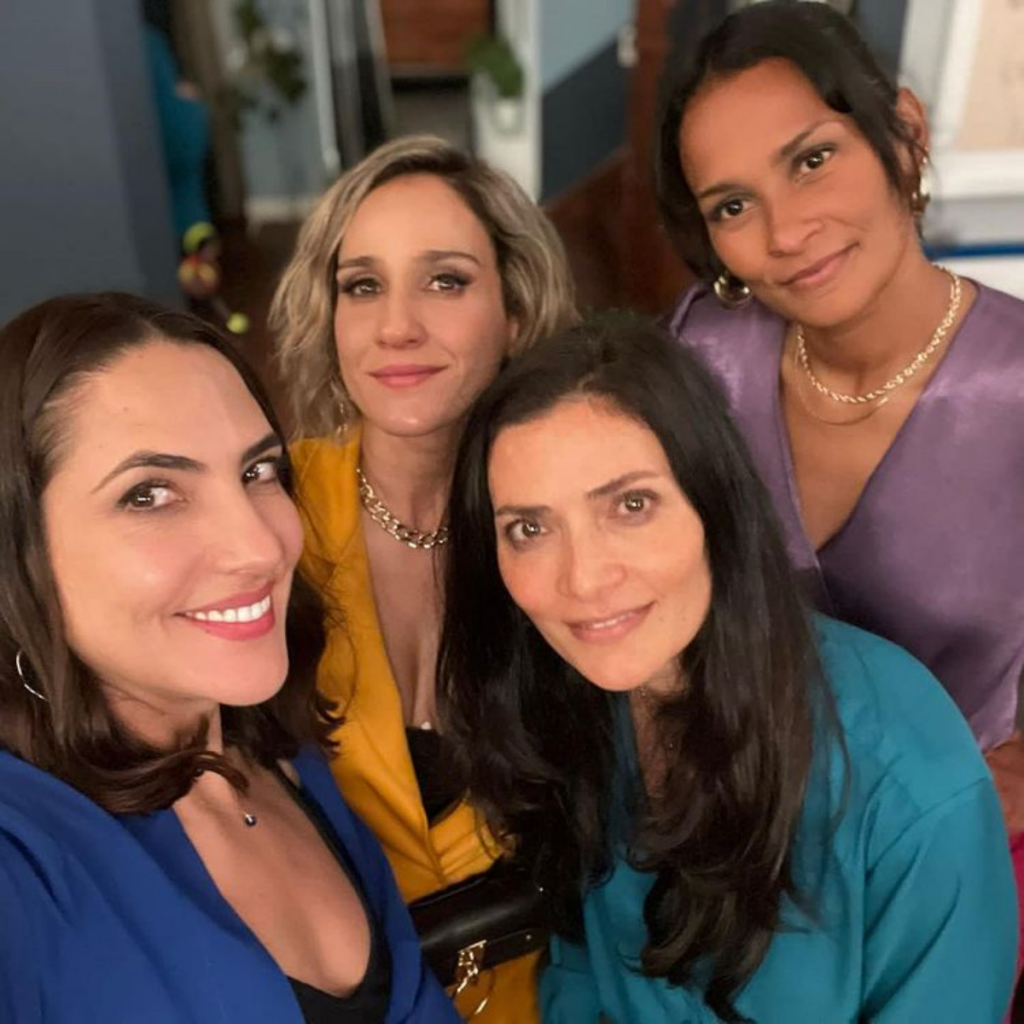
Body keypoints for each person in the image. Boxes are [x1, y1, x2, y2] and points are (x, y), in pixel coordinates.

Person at [438, 313, 1017, 1023]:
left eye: (631, 505)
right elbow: (579, 969)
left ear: (716, 506)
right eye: (529, 529)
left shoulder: (909, 780)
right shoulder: (572, 703)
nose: (582, 580)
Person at [655, 0, 1024, 966]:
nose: (786, 231)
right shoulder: (702, 351)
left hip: (939, 873)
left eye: (812, 159)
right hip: (719, 856)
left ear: (903, 134)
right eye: (732, 206)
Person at [0, 293, 458, 1023]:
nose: (260, 547)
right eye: (150, 495)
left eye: (257, 472)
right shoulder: (20, 861)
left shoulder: (290, 763)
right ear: (19, 553)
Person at [270, 134, 577, 1019]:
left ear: (515, 309)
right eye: (363, 286)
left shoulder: (573, 523)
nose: (397, 326)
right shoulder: (268, 522)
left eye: (445, 281)